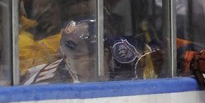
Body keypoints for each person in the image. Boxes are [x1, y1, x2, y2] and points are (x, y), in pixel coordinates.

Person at [21, 19, 162, 84]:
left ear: (105, 54)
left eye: (91, 64)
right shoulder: (50, 81)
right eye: (70, 60)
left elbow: (160, 64)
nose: (75, 67)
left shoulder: (126, 52)